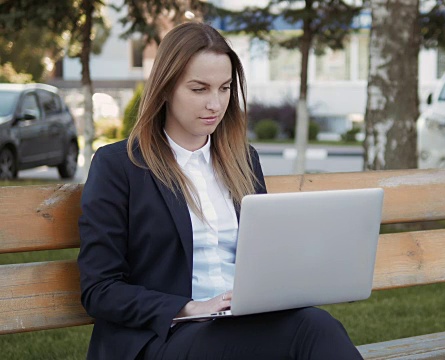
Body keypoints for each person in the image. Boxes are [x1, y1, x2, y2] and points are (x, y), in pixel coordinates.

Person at [78, 22, 363, 360]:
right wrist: (191, 307)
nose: (215, 103)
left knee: (318, 326)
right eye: (199, 89)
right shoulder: (120, 165)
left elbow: (265, 256)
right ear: (166, 88)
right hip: (166, 336)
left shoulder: (242, 160)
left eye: (225, 88)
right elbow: (100, 288)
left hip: (242, 322)